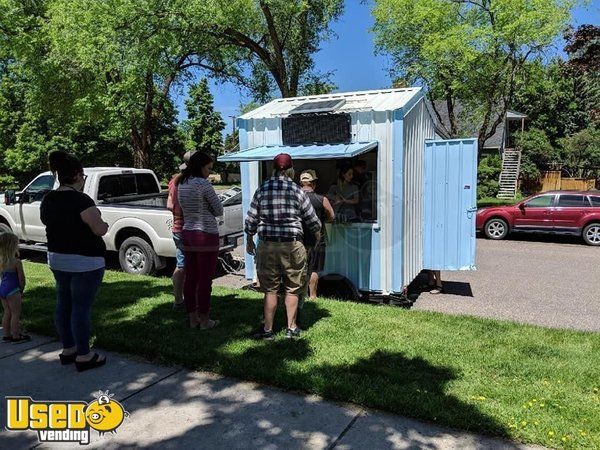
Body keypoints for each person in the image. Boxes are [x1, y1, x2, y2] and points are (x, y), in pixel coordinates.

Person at [40, 151, 109, 372]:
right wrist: (101, 220)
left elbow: (46, 221)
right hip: (85, 262)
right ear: (78, 175)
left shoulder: (49, 199)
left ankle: (68, 349)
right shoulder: (81, 200)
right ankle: (84, 354)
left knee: (63, 303)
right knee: (80, 308)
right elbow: (99, 229)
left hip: (57, 259)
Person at [245, 153, 321, 340]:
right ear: (290, 170)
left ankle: (268, 330)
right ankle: (291, 329)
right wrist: (317, 238)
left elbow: (251, 220)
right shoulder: (297, 191)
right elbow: (313, 221)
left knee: (270, 289)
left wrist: (248, 241)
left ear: (273, 169)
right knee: (293, 288)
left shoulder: (262, 189)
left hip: (267, 244)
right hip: (292, 245)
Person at [177, 151, 223, 330]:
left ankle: (192, 318)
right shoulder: (203, 185)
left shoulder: (181, 183)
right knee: (205, 280)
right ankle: (205, 320)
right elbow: (218, 209)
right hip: (206, 235)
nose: (209, 173)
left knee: (191, 279)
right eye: (208, 168)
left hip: (188, 233)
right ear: (200, 167)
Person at [299, 170, 335, 300]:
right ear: (314, 184)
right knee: (314, 269)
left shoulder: (294, 199)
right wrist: (325, 220)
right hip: (317, 239)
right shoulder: (321, 199)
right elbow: (332, 215)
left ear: (301, 183)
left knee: (299, 268)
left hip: (298, 239)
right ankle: (313, 296)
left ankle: (299, 294)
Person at [167, 151, 195, 310]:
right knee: (195, 267)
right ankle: (194, 303)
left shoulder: (174, 181)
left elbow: (169, 205)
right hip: (192, 229)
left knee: (181, 264)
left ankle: (178, 300)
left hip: (177, 228)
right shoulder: (194, 182)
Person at [0, 232, 29, 343]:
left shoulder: (1, 261)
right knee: (16, 314)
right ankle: (16, 336)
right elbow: (21, 278)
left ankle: (7, 335)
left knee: (7, 312)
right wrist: (21, 290)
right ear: (13, 246)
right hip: (13, 290)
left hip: (2, 289)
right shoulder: (16, 262)